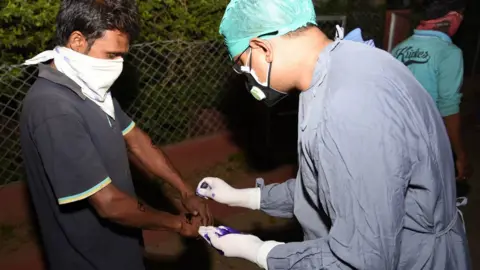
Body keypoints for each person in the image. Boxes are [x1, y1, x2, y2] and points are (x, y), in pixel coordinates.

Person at [196, 0, 471, 269]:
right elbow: (325, 187)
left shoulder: (345, 106)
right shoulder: (340, 66)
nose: (249, 77)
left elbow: (362, 259)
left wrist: (261, 252)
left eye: (244, 64)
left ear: (263, 48)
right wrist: (243, 197)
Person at [19, 1, 211, 269]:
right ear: (77, 41)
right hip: (89, 257)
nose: (118, 65)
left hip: (121, 243)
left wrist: (184, 191)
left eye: (122, 56)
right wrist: (178, 224)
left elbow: (137, 141)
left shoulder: (91, 87)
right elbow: (109, 203)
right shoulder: (54, 108)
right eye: (111, 55)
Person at [392, 0, 472, 182]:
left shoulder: (399, 48)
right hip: (426, 144)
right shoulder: (448, 52)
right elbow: (448, 109)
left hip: (395, 139)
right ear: (452, 17)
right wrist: (460, 155)